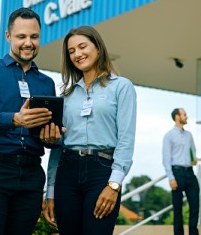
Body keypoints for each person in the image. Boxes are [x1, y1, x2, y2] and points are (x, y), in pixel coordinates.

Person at [0, 7, 63, 235]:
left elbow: (49, 138)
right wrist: (14, 119)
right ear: (8, 37)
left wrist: (53, 137)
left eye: (34, 37)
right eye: (21, 37)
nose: (28, 42)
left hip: (30, 175)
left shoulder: (46, 83)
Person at [43, 25, 137, 235]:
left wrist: (114, 185)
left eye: (82, 46)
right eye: (71, 51)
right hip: (67, 172)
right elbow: (57, 147)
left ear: (98, 47)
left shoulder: (122, 87)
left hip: (102, 170)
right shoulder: (65, 96)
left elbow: (126, 140)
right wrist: (50, 192)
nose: (77, 54)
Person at [163, 108, 200, 235]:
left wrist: (193, 159)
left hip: (190, 173)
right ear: (177, 117)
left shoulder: (189, 135)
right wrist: (171, 178)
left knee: (195, 207)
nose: (187, 117)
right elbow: (166, 159)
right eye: (184, 114)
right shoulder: (169, 135)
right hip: (177, 174)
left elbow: (193, 151)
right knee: (177, 209)